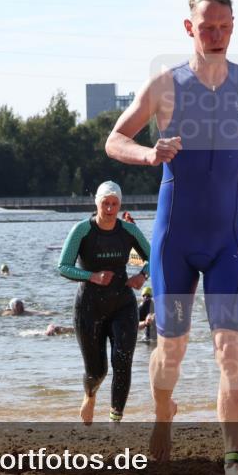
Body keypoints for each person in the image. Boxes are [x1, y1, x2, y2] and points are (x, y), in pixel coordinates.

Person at [104, 0, 238, 475]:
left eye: (225, 27)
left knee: (231, 348)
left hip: (228, 237)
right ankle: (164, 412)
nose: (217, 36)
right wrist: (149, 154)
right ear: (190, 28)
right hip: (175, 240)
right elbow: (114, 139)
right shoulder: (166, 85)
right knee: (173, 348)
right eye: (208, 27)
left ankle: (232, 461)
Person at [58, 181, 151, 424]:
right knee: (97, 371)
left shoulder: (128, 231)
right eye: (105, 203)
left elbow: (156, 257)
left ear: (120, 205)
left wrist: (142, 276)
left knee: (122, 361)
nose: (109, 209)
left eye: (114, 204)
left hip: (123, 305)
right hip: (89, 307)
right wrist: (92, 276)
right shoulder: (82, 230)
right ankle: (90, 395)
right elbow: (63, 266)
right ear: (96, 203)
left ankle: (115, 420)